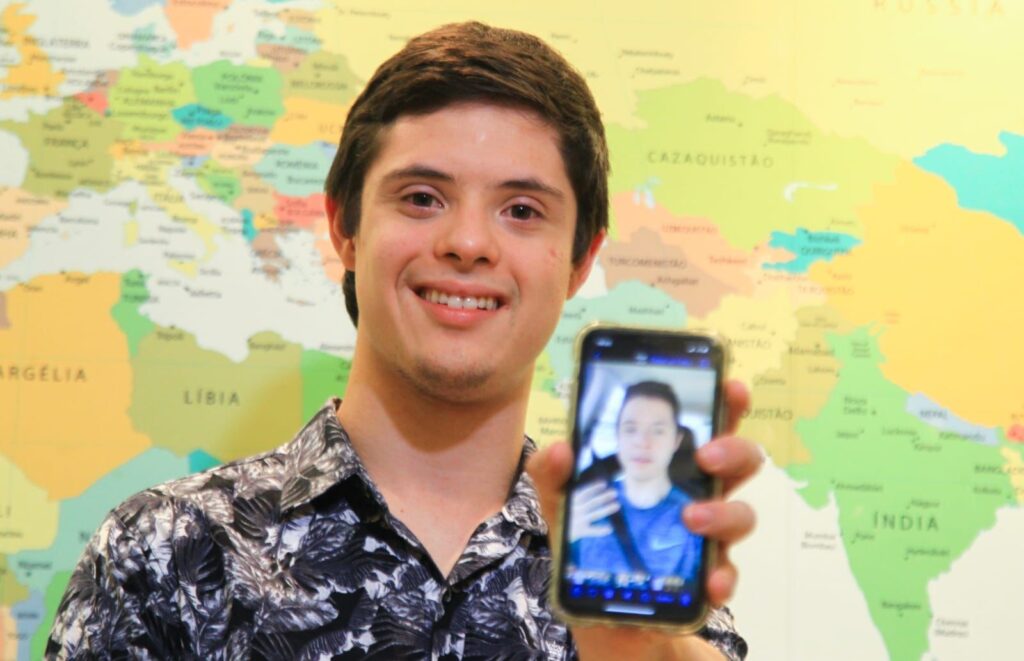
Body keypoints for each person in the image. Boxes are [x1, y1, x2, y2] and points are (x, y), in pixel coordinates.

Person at [46, 21, 761, 660]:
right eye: (422, 197)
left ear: (580, 260)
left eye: (521, 210)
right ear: (345, 227)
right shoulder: (167, 552)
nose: (468, 242)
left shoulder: (647, 601)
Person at [571, 381, 703, 585]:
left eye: (658, 431)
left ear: (676, 440)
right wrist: (563, 538)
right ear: (618, 436)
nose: (642, 442)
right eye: (630, 429)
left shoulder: (694, 519)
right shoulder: (585, 506)